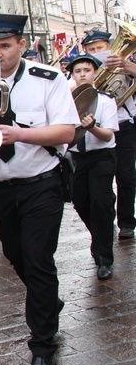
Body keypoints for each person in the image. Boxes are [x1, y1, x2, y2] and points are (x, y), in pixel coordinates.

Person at [0, 14, 79, 365]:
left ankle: (42, 346)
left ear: (22, 44)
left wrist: (20, 135)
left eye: (5, 46)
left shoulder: (50, 79)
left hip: (40, 183)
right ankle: (47, 302)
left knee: (37, 258)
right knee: (16, 256)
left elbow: (67, 131)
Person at [67, 53, 118, 280]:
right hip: (78, 159)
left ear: (95, 73)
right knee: (81, 202)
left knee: (100, 203)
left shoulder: (105, 100)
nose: (82, 75)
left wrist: (92, 126)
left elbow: (107, 136)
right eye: (78, 72)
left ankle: (104, 258)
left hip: (102, 157)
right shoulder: (66, 102)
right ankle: (100, 235)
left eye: (86, 71)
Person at [82, 30, 136, 240]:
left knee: (126, 176)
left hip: (123, 125)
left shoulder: (123, 64)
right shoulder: (85, 68)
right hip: (96, 129)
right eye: (92, 49)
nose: (97, 52)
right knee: (101, 182)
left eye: (100, 48)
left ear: (109, 48)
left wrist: (127, 66)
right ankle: (105, 221)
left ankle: (127, 223)